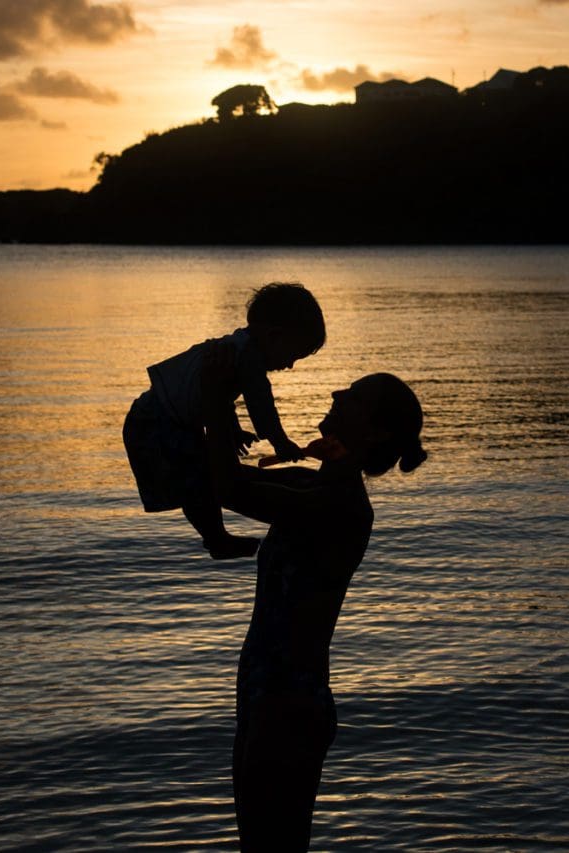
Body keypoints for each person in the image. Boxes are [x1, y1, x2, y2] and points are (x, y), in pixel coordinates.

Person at [201, 346, 427, 851]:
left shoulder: (337, 504)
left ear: (374, 433)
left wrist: (218, 401)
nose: (337, 392)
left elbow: (228, 488)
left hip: (287, 705)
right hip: (266, 696)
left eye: (356, 396)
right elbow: (226, 480)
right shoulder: (315, 485)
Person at [122, 283, 326, 560]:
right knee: (196, 481)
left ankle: (216, 538)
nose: (289, 365)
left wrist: (232, 430)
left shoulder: (234, 349)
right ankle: (216, 538)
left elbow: (215, 396)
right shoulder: (247, 358)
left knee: (198, 478)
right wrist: (280, 442)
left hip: (155, 416)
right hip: (158, 421)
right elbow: (260, 405)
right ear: (275, 336)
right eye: (292, 355)